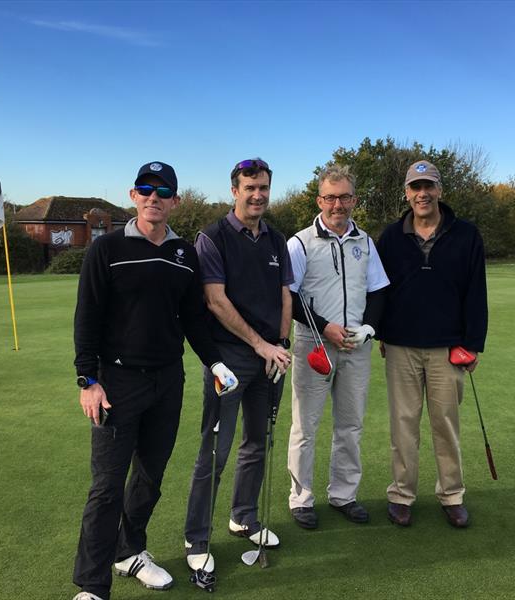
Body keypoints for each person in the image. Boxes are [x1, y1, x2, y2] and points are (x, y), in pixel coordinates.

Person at [71, 161, 237, 600]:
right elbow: (86, 318)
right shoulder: (105, 249)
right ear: (133, 195)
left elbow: (194, 319)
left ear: (176, 201)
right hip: (117, 382)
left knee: (149, 476)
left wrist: (216, 363)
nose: (153, 197)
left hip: (168, 380)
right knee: (107, 486)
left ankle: (131, 551)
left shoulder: (184, 254)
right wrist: (88, 380)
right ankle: (92, 585)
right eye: (145, 189)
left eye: (163, 192)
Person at [183, 158, 293, 574]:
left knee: (257, 443)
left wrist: (280, 346)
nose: (258, 194)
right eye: (250, 187)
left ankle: (243, 516)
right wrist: (262, 344)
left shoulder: (276, 239)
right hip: (229, 361)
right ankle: (196, 537)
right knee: (216, 449)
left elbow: (285, 296)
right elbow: (215, 301)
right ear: (235, 191)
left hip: (269, 356)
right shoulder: (212, 238)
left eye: (263, 187)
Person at [376, 160, 488, 529]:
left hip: (447, 347)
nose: (422, 194)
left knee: (445, 424)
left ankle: (451, 495)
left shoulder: (466, 234)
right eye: (415, 187)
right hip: (402, 346)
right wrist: (380, 333)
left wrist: (473, 344)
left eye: (429, 186)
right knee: (403, 425)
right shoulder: (391, 237)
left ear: (440, 190)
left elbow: (476, 292)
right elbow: (380, 292)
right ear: (406, 193)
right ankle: (402, 494)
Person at [286, 164, 389, 529]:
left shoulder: (365, 242)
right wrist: (325, 327)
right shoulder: (299, 243)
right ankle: (301, 499)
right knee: (306, 425)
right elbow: (290, 298)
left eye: (345, 197)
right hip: (314, 344)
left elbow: (377, 289)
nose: (337, 204)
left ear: (354, 200)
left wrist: (369, 328)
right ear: (319, 200)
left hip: (355, 348)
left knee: (350, 425)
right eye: (330, 197)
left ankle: (344, 494)